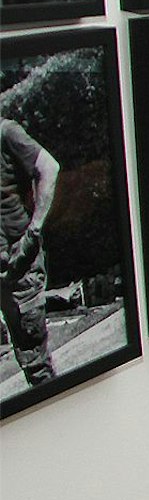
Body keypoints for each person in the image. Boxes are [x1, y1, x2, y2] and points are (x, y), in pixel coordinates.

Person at [1, 115, 61, 388]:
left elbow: (49, 167)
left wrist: (33, 231)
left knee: (36, 365)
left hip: (18, 267)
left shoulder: (6, 133)